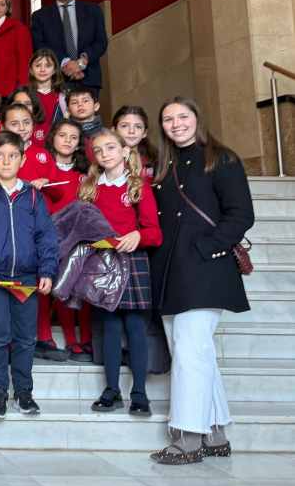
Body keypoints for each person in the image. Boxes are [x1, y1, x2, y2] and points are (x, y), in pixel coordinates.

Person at [150, 98, 254, 465]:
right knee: (194, 353)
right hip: (169, 272)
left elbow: (241, 213)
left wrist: (207, 247)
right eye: (168, 119)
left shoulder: (221, 158)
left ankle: (187, 439)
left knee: (191, 352)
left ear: (197, 118)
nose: (176, 124)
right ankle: (216, 432)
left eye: (183, 117)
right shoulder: (164, 165)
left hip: (205, 268)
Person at [0, 130, 58, 418]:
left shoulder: (32, 197)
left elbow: (46, 237)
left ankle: (24, 392)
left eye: (13, 155)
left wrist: (47, 271)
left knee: (26, 337)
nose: (6, 161)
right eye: (0, 155)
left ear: (23, 158)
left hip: (27, 279)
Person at [81, 128, 162, 417]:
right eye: (99, 150)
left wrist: (138, 236)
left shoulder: (138, 186)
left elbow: (154, 231)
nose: (105, 154)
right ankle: (111, 390)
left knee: (136, 328)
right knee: (110, 329)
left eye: (111, 148)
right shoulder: (91, 188)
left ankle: (139, 393)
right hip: (102, 264)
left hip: (132, 262)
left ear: (125, 151)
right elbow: (83, 227)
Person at [39, 120, 92, 363]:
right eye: (63, 135)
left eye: (73, 137)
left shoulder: (85, 174)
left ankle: (75, 340)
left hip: (76, 237)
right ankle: (44, 336)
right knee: (46, 285)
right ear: (52, 138)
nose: (68, 140)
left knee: (70, 287)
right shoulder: (43, 168)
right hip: (46, 235)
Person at [30, 0, 108, 91]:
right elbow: (39, 45)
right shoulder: (39, 16)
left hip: (89, 79)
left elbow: (101, 42)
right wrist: (65, 63)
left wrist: (81, 63)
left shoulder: (93, 11)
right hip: (56, 80)